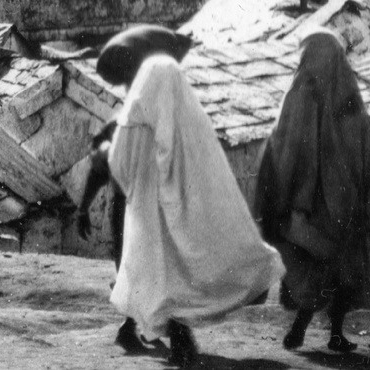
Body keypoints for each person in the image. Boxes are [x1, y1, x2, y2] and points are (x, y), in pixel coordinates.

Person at [107, 53, 283, 366]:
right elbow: (208, 169)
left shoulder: (131, 118)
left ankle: (151, 332)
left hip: (143, 214)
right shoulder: (187, 118)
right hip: (175, 211)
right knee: (175, 274)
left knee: (150, 274)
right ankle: (178, 338)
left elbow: (117, 162)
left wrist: (136, 191)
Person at [253, 31, 370, 354]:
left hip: (315, 203)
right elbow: (367, 151)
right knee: (335, 269)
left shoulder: (304, 94)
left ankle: (310, 330)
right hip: (340, 201)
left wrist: (283, 196)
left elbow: (285, 146)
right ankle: (319, 331)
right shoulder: (344, 95)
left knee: (322, 270)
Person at [77, 25, 193, 353]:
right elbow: (102, 168)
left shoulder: (123, 123)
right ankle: (173, 336)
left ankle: (135, 330)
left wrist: (83, 208)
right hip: (138, 210)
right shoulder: (147, 124)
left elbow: (100, 169)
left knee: (142, 271)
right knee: (151, 271)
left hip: (132, 209)